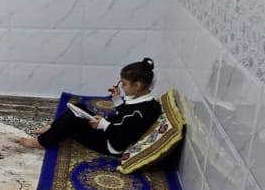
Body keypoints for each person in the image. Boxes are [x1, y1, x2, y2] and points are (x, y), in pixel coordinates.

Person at [18, 58, 161, 154]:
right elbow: (125, 115)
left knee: (73, 120)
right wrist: (117, 100)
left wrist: (104, 125)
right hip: (110, 130)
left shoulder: (141, 112)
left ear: (137, 85)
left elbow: (121, 138)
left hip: (111, 144)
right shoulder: (147, 103)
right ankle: (53, 127)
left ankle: (41, 142)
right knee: (78, 107)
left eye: (124, 84)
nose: (122, 87)